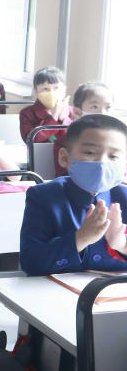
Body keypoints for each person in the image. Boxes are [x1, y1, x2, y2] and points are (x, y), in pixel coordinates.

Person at [20, 114, 127, 275]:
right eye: (90, 152)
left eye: (113, 156)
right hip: (55, 294)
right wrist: (80, 238)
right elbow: (31, 263)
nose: (102, 164)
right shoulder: (43, 196)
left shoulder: (124, 197)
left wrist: (121, 245)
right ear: (64, 158)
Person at [54, 82, 115, 176]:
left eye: (108, 107)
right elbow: (65, 175)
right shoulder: (66, 141)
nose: (103, 113)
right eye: (94, 107)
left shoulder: (118, 141)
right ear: (77, 112)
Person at [20, 67, 72, 143]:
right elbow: (31, 140)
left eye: (56, 88)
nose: (51, 93)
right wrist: (53, 118)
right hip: (39, 154)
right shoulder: (27, 113)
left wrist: (62, 119)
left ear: (64, 89)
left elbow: (76, 139)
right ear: (36, 91)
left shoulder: (71, 111)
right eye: (45, 89)